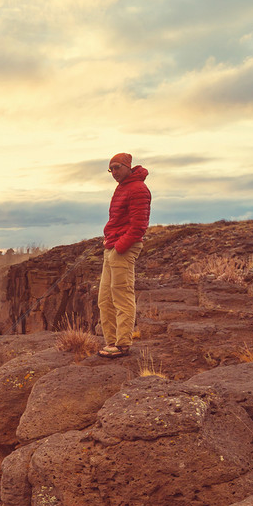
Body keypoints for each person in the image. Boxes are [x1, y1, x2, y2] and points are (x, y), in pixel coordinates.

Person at [97, 152, 151, 357]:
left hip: (123, 248)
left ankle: (122, 345)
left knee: (121, 295)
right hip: (112, 246)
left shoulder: (138, 189)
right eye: (110, 169)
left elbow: (139, 226)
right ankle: (111, 342)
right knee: (105, 298)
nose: (114, 172)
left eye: (117, 167)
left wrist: (119, 246)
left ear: (128, 166)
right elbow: (119, 220)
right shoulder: (122, 187)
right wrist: (109, 242)